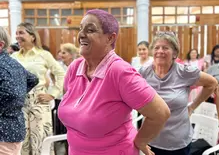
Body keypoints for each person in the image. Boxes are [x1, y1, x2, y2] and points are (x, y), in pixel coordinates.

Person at [58, 9, 171, 155]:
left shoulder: (120, 72)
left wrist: (140, 141)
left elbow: (161, 113)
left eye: (90, 30)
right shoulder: (75, 67)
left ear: (110, 38)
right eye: (81, 29)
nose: (81, 35)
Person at [139, 31, 218, 155]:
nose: (160, 51)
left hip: (177, 143)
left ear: (175, 53)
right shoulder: (143, 72)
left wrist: (192, 106)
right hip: (150, 139)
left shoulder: (185, 72)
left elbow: (212, 83)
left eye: (165, 48)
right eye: (156, 47)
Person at [11, 22, 65, 155]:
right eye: (16, 33)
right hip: (19, 104)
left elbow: (60, 73)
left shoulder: (44, 55)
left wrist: (52, 94)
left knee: (40, 141)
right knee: (21, 142)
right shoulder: (13, 57)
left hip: (39, 103)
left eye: (21, 33)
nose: (17, 36)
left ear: (32, 36)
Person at [0, 26, 38, 155]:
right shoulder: (13, 62)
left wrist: (12, 104)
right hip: (14, 128)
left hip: (4, 132)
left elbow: (11, 94)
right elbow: (33, 79)